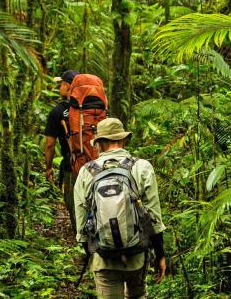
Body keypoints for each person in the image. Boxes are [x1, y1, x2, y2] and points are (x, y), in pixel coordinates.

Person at [74, 118, 166, 299]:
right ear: (123, 139)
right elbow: (153, 217)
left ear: (99, 143)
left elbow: (81, 223)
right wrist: (160, 255)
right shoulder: (142, 167)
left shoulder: (86, 172)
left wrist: (94, 253)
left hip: (104, 260)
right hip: (137, 256)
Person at [44, 69, 79, 229]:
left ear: (66, 86)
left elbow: (50, 144)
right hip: (96, 161)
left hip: (72, 163)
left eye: (61, 85)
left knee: (73, 201)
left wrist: (48, 167)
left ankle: (82, 240)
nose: (59, 88)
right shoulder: (92, 107)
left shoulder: (57, 111)